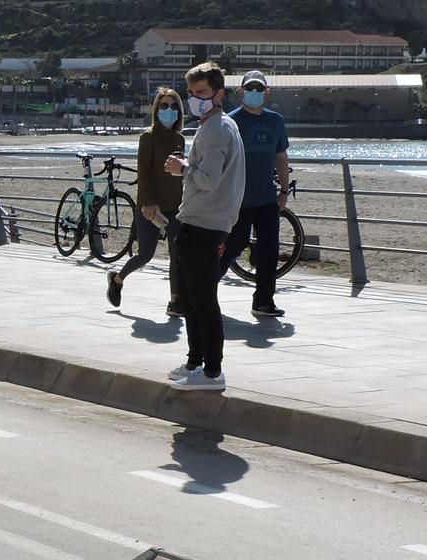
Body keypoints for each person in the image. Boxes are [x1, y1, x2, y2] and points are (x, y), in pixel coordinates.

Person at [164, 62, 244, 393]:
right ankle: (196, 362)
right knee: (190, 296)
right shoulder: (218, 126)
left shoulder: (216, 130)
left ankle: (211, 371)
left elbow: (208, 180)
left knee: (203, 299)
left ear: (219, 94)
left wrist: (182, 167)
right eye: (192, 93)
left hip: (205, 224)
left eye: (202, 93)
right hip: (197, 221)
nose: (196, 99)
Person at [108, 87, 187, 315]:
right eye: (164, 106)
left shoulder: (179, 139)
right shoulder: (148, 137)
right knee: (146, 254)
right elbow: (144, 173)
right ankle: (117, 280)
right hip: (150, 207)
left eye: (173, 106)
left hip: (175, 208)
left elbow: (180, 173)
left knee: (177, 256)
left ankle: (175, 301)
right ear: (156, 109)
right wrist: (149, 204)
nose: (169, 110)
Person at [221, 68, 291, 319]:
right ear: (240, 92)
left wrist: (284, 190)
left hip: (267, 199)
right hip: (237, 199)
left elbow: (281, 156)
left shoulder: (275, 121)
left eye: (259, 89)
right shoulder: (230, 120)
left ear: (267, 92)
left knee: (269, 250)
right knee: (231, 247)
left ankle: (263, 301)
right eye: (249, 89)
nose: (254, 93)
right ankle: (200, 292)